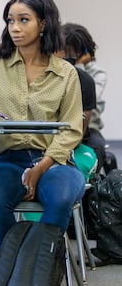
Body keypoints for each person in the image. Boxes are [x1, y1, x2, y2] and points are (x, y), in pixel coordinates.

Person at [0, 0, 86, 247]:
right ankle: (16, 264)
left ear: (43, 24)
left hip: (56, 161)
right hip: (10, 159)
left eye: (23, 20)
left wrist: (40, 168)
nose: (14, 28)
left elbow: (73, 129)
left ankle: (38, 265)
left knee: (61, 198)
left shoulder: (66, 73)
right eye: (10, 20)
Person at [62, 22, 107, 173]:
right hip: (61, 126)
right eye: (64, 53)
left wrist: (79, 66)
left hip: (89, 128)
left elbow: (89, 95)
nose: (67, 59)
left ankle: (92, 186)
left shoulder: (96, 75)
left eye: (73, 55)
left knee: (97, 146)